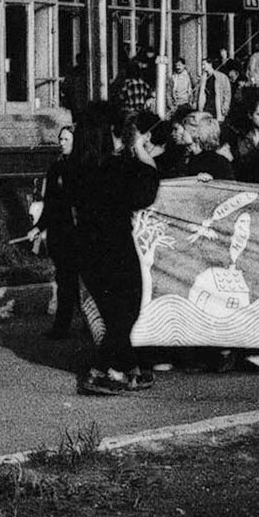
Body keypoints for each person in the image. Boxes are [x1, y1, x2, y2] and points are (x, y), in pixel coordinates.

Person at [70, 104, 161, 395]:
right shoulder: (116, 167)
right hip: (115, 247)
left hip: (86, 248)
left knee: (113, 313)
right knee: (127, 310)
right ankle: (99, 371)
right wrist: (141, 150)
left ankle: (129, 368)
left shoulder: (76, 167)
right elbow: (146, 191)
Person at [33, 125, 79, 340]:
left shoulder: (84, 167)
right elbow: (50, 204)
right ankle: (62, 326)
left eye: (66, 139)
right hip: (61, 233)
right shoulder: (55, 169)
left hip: (80, 232)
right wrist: (38, 227)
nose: (62, 143)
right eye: (60, 139)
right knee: (65, 280)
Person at [196, 56, 232, 122]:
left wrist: (225, 107)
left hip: (217, 106)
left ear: (210, 64)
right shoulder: (203, 78)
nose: (202, 67)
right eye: (202, 65)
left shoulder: (221, 77)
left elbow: (227, 93)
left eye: (204, 65)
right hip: (206, 106)